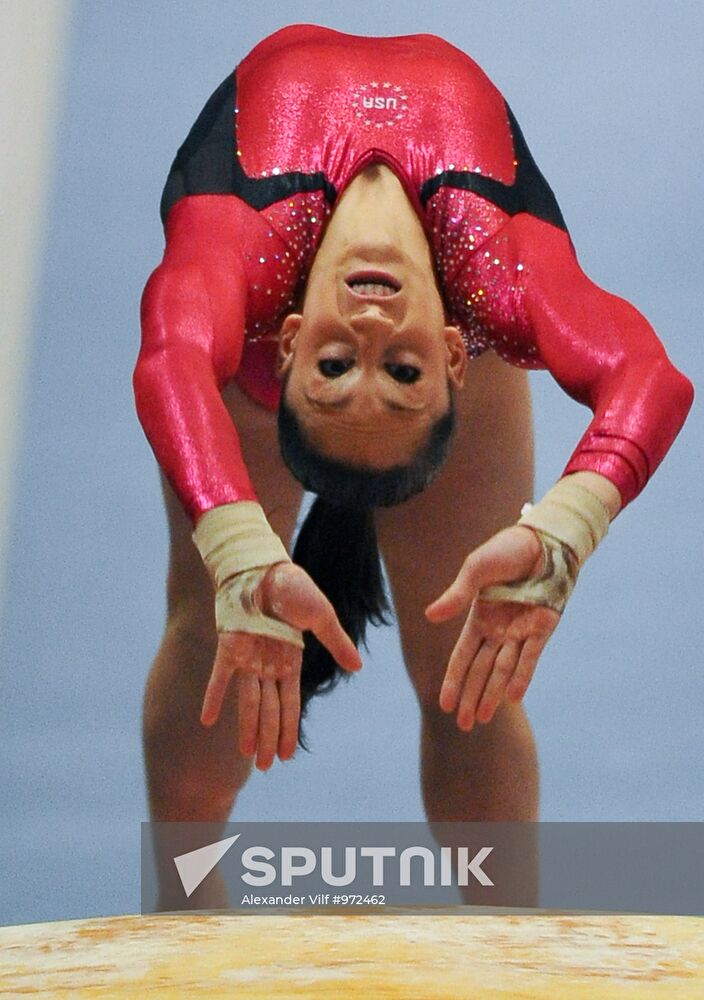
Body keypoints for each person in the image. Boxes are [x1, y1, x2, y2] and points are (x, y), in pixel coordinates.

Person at [134, 25, 692, 857]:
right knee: (223, 636)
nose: (369, 327)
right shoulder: (501, 282)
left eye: (332, 365)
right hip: (450, 296)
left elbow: (171, 358)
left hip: (263, 350)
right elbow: (653, 375)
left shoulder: (237, 256)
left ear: (293, 346)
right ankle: (183, 901)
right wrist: (563, 531)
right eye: (401, 370)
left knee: (459, 678)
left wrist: (238, 545)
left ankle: (504, 947)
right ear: (450, 362)